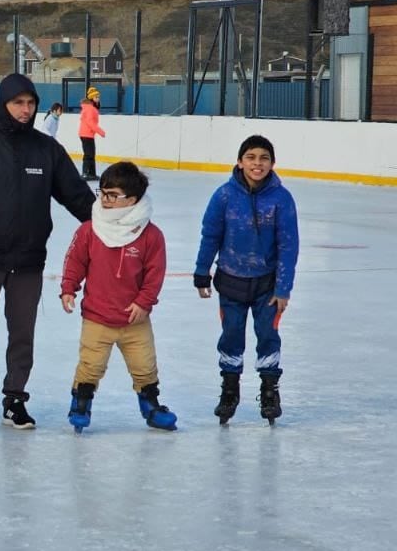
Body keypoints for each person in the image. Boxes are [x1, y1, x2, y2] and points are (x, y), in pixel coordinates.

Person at [0, 72, 94, 429]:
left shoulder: (47, 150)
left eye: (30, 104)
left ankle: (15, 399)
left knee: (22, 334)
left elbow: (77, 197)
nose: (25, 110)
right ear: (3, 104)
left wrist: (114, 223)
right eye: (18, 103)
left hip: (27, 262)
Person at [59, 161, 176, 432]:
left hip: (135, 319)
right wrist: (68, 288)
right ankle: (81, 403)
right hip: (97, 317)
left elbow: (155, 274)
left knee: (145, 366)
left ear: (132, 199)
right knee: (90, 365)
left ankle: (150, 405)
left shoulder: (150, 235)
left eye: (113, 195)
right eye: (102, 193)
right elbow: (75, 261)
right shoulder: (90, 229)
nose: (105, 200)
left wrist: (144, 302)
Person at [193, 135, 299, 426]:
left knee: (268, 336)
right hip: (231, 283)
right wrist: (202, 271)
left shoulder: (281, 199)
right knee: (231, 336)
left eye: (264, 158)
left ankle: (269, 391)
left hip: (267, 286)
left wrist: (283, 288)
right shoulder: (224, 196)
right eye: (251, 157)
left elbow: (288, 246)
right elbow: (210, 235)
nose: (257, 163)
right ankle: (229, 391)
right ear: (240, 162)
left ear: (272, 163)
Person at [78, 89, 105, 180]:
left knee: (91, 154)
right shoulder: (90, 108)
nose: (98, 99)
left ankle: (92, 174)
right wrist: (100, 131)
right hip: (86, 134)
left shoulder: (92, 108)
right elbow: (90, 122)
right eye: (96, 97)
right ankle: (85, 173)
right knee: (88, 154)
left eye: (98, 97)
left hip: (88, 134)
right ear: (91, 98)